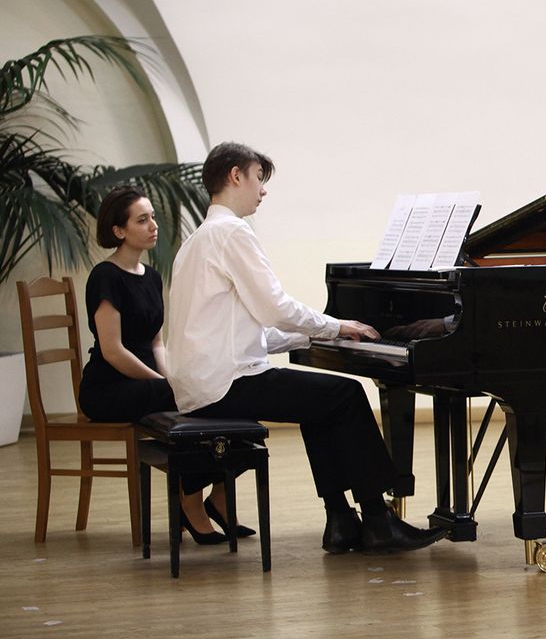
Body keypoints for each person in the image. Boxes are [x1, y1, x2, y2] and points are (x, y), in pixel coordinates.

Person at [166, 142, 446, 554]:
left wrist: (317, 335)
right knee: (346, 394)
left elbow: (243, 332)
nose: (263, 190)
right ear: (235, 176)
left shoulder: (196, 241)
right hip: (226, 383)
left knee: (319, 402)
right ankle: (378, 519)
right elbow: (275, 308)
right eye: (258, 178)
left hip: (201, 383)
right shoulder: (232, 232)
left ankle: (341, 521)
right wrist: (335, 325)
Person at [79, 186, 242, 545]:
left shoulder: (152, 277)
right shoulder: (105, 276)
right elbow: (113, 351)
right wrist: (166, 385)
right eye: (142, 220)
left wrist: (175, 380)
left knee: (215, 392)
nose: (154, 225)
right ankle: (191, 501)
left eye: (152, 217)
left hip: (145, 384)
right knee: (196, 397)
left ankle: (217, 495)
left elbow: (156, 343)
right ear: (119, 231)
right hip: (107, 388)